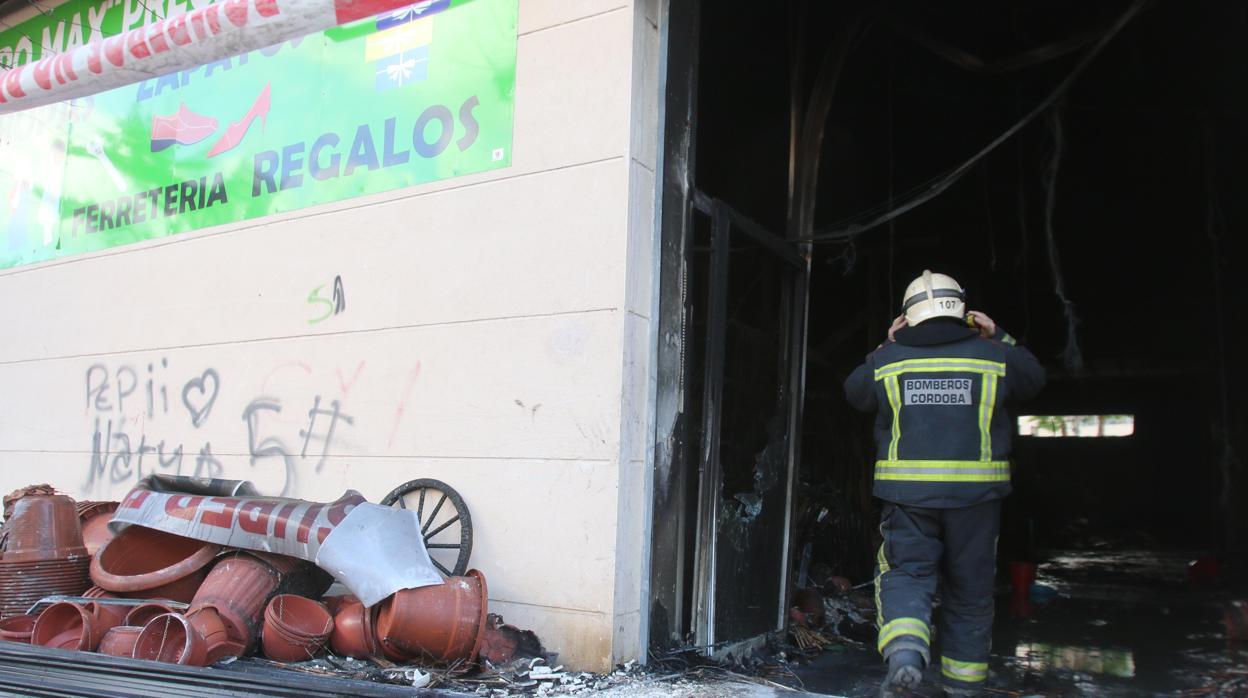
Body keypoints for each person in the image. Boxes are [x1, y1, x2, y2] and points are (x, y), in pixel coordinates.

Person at [844, 270, 1045, 697]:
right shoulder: (994, 355)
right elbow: (1034, 379)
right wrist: (1001, 335)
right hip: (977, 500)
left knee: (906, 575)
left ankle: (905, 653)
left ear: (907, 317)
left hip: (908, 499)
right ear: (965, 312)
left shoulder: (887, 360)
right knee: (970, 593)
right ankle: (963, 687)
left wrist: (886, 344)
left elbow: (854, 393)